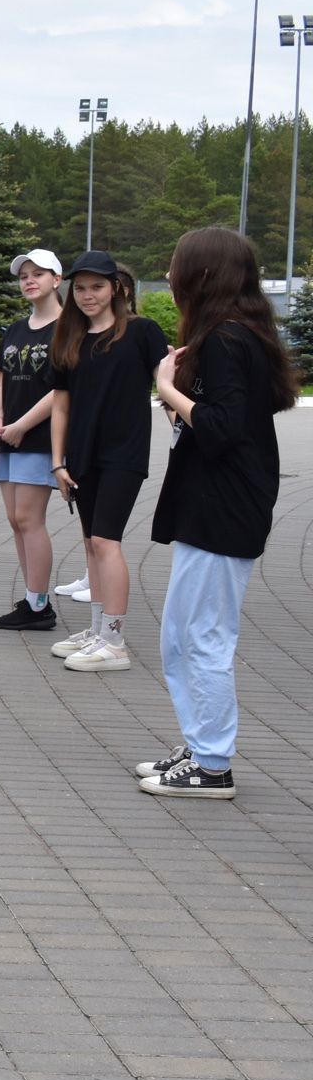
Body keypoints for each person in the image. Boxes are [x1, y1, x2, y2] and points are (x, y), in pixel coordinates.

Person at [135, 227, 299, 797]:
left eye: (177, 266)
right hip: (214, 506)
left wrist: (166, 387)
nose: (171, 276)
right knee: (181, 636)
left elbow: (222, 427)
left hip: (224, 509)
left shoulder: (228, 339)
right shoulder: (234, 334)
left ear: (202, 274)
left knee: (201, 637)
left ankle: (211, 765)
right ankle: (200, 743)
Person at [47, 251, 170, 672]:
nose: (87, 295)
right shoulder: (68, 337)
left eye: (97, 287)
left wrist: (185, 426)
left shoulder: (142, 332)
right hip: (81, 457)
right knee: (90, 544)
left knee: (105, 541)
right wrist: (58, 463)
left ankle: (114, 643)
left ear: (116, 288)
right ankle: (99, 630)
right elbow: (60, 405)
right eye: (80, 288)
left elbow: (167, 384)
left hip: (124, 454)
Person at [0, 249, 64, 630]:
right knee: (16, 520)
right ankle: (32, 599)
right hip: (10, 434)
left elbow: (62, 390)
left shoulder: (67, 329)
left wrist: (21, 425)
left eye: (38, 274)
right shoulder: (16, 328)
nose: (29, 281)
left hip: (40, 436)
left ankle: (39, 605)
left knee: (30, 519)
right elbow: (0, 374)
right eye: (23, 276)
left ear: (56, 280)